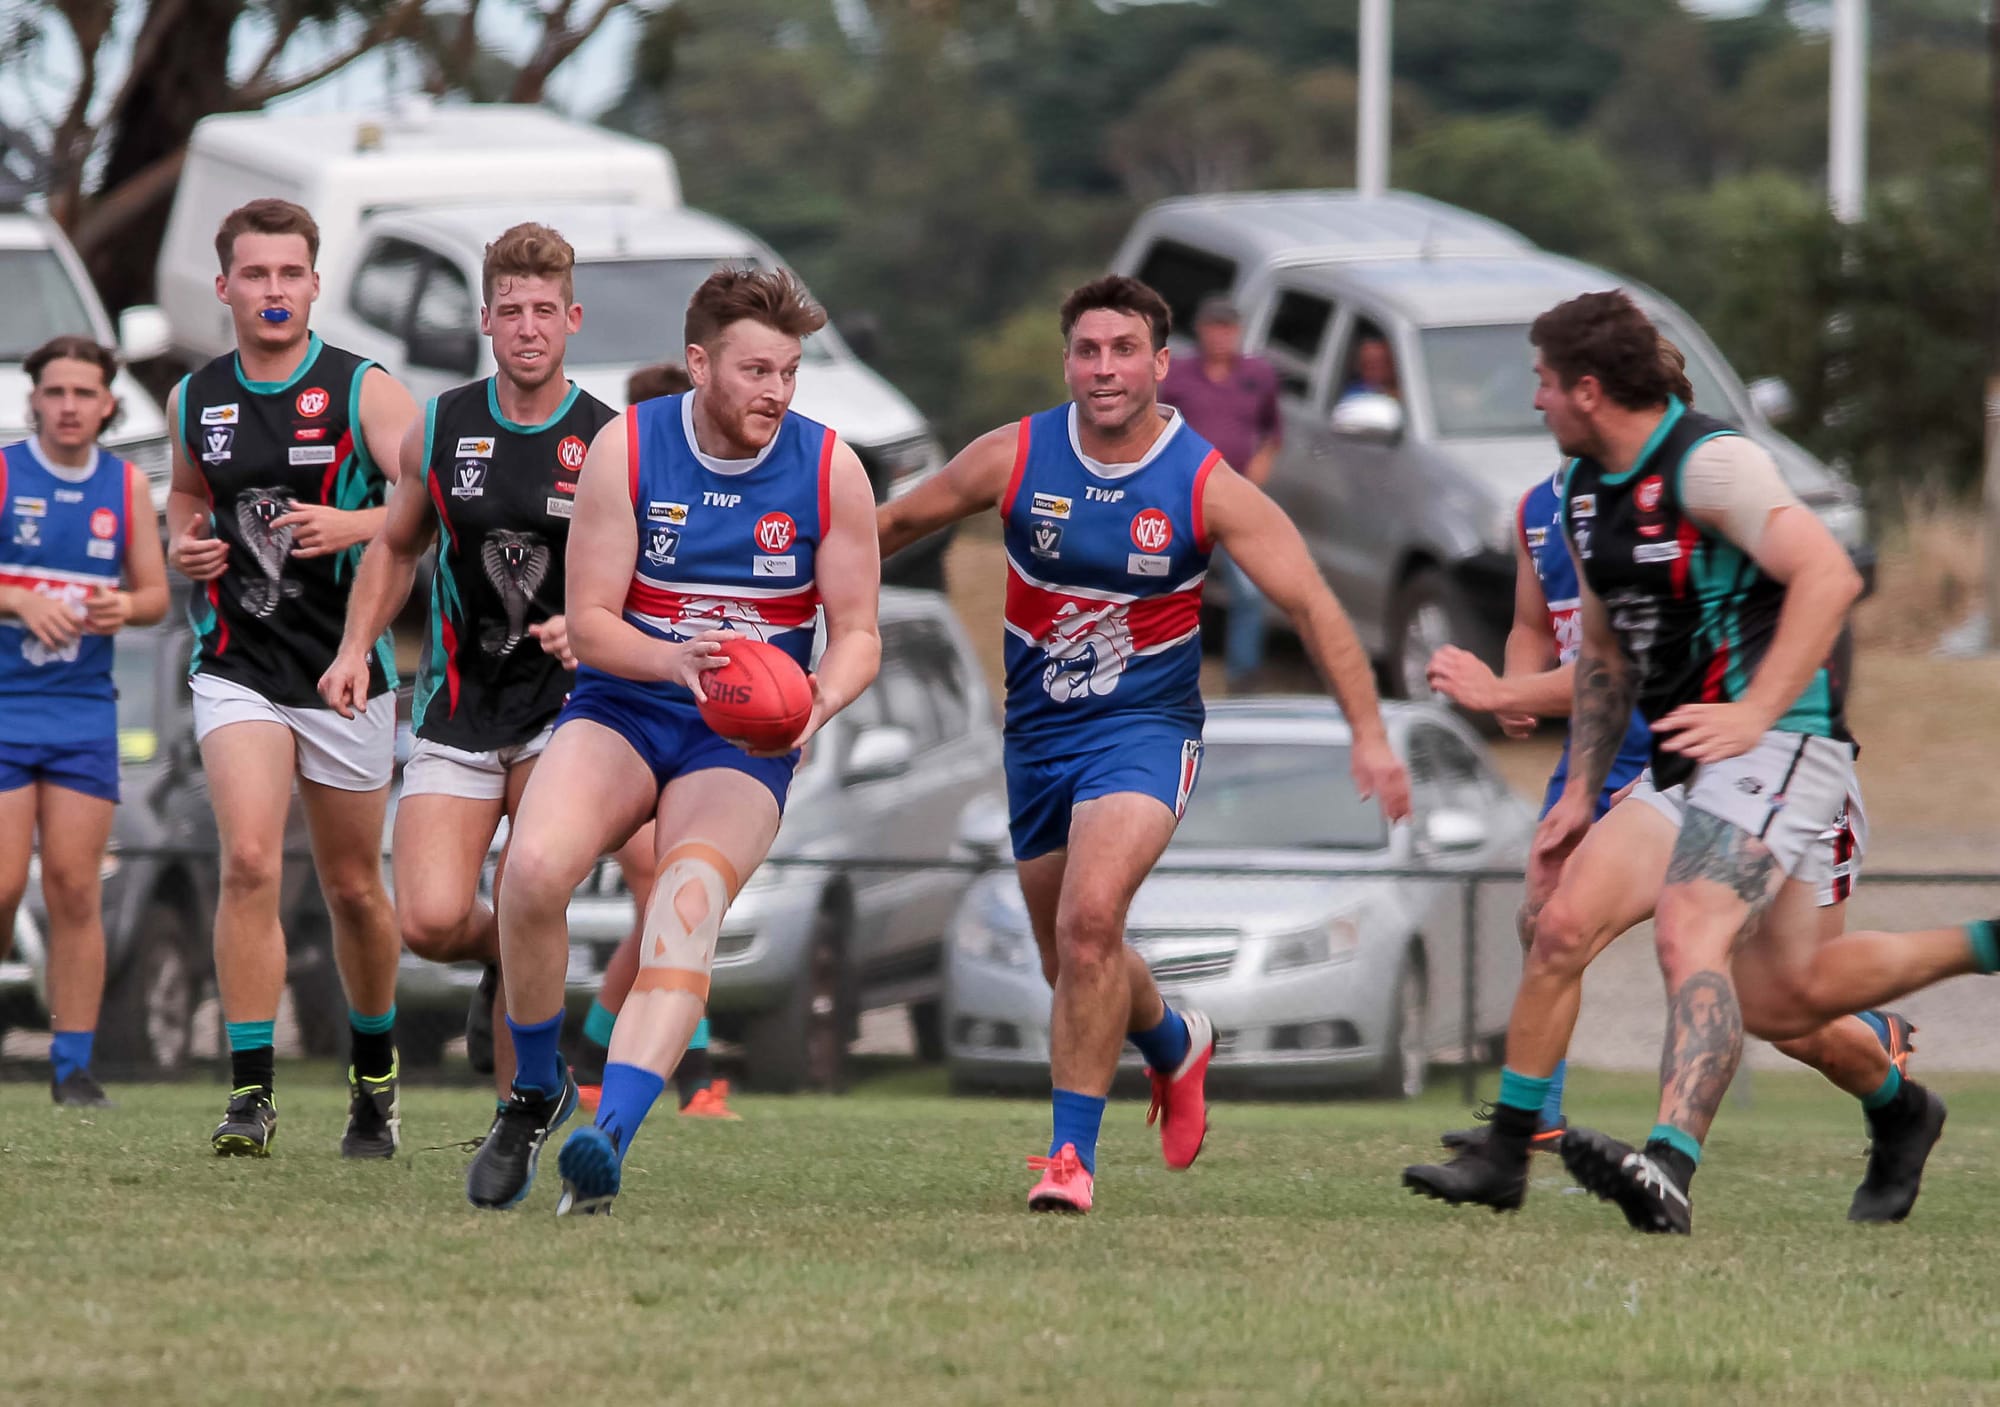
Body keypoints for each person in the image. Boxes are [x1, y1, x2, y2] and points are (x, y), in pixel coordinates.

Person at [878, 275, 1412, 1213]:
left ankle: (1068, 1159)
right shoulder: (1015, 455)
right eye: (1088, 350)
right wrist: (786, 598)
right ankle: (1172, 1042)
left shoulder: (1204, 483)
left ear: (1162, 364)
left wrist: (1368, 734)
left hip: (1145, 733)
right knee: (1070, 958)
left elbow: (1313, 604)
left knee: (1090, 923)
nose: (1105, 368)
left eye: (1125, 349)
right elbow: (892, 526)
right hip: (1036, 736)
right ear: (1068, 361)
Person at [1456, 290, 1985, 1235]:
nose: (1533, 402)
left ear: (1586, 388)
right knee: (1593, 930)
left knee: (1692, 933)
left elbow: (1831, 575)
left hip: (1786, 746)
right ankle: (1504, 1154)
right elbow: (1611, 656)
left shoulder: (1714, 464)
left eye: (1541, 382)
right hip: (1683, 758)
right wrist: (1578, 791)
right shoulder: (1581, 492)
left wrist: (1756, 710)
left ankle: (1668, 1168)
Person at [463, 267, 880, 1214]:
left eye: (789, 372)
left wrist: (817, 698)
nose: (776, 392)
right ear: (700, 363)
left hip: (743, 738)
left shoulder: (829, 470)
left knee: (684, 909)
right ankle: (534, 1092)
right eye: (756, 370)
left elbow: (859, 631)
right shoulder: (629, 448)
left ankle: (605, 1141)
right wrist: (673, 659)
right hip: (627, 704)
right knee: (528, 874)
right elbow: (593, 620)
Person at [319, 222, 617, 1116]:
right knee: (431, 920)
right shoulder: (445, 422)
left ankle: (519, 1115)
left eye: (544, 312)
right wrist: (350, 649)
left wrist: (593, 626)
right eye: (510, 311)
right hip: (455, 701)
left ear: (572, 319)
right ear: (485, 319)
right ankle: (502, 958)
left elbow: (642, 578)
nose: (528, 327)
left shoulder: (608, 441)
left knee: (533, 891)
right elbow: (395, 546)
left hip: (567, 712)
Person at [164, 198, 418, 1158]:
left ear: (316, 283)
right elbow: (190, 497)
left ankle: (374, 1071)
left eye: (291, 274)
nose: (274, 292)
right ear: (224, 285)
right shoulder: (199, 397)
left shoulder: (362, 389)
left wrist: (352, 526)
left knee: (354, 888)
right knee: (250, 862)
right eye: (255, 275)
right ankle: (249, 1091)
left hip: (344, 669)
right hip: (237, 664)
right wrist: (185, 543)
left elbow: (424, 496)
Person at [0, 336, 168, 1106]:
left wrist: (119, 607)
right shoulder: (6, 472)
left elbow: (154, 597)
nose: (69, 406)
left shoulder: (125, 484)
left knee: (74, 886)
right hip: (7, 707)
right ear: (34, 399)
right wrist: (20, 598)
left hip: (82, 713)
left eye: (84, 393)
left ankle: (72, 1065)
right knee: (2, 885)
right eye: (55, 391)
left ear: (109, 404)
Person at [569, 358, 737, 1123]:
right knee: (660, 892)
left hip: (694, 725)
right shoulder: (612, 472)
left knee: (670, 898)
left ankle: (597, 1048)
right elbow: (579, 600)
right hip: (616, 719)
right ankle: (692, 1074)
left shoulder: (704, 502)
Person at [1157, 295, 1281, 689]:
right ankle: (1161, 668)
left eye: (1229, 328)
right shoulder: (1177, 375)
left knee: (1248, 587)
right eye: (1215, 327)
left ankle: (1243, 673)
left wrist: (1257, 473)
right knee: (1168, 583)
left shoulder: (1258, 375)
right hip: (1182, 496)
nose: (1221, 336)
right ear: (1201, 330)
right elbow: (1152, 424)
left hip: (1233, 496)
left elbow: (1272, 431)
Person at [1338, 334, 1399, 403]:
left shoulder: (1406, 386)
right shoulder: (1354, 396)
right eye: (1371, 364)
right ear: (1359, 367)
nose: (1378, 369)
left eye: (1383, 362)